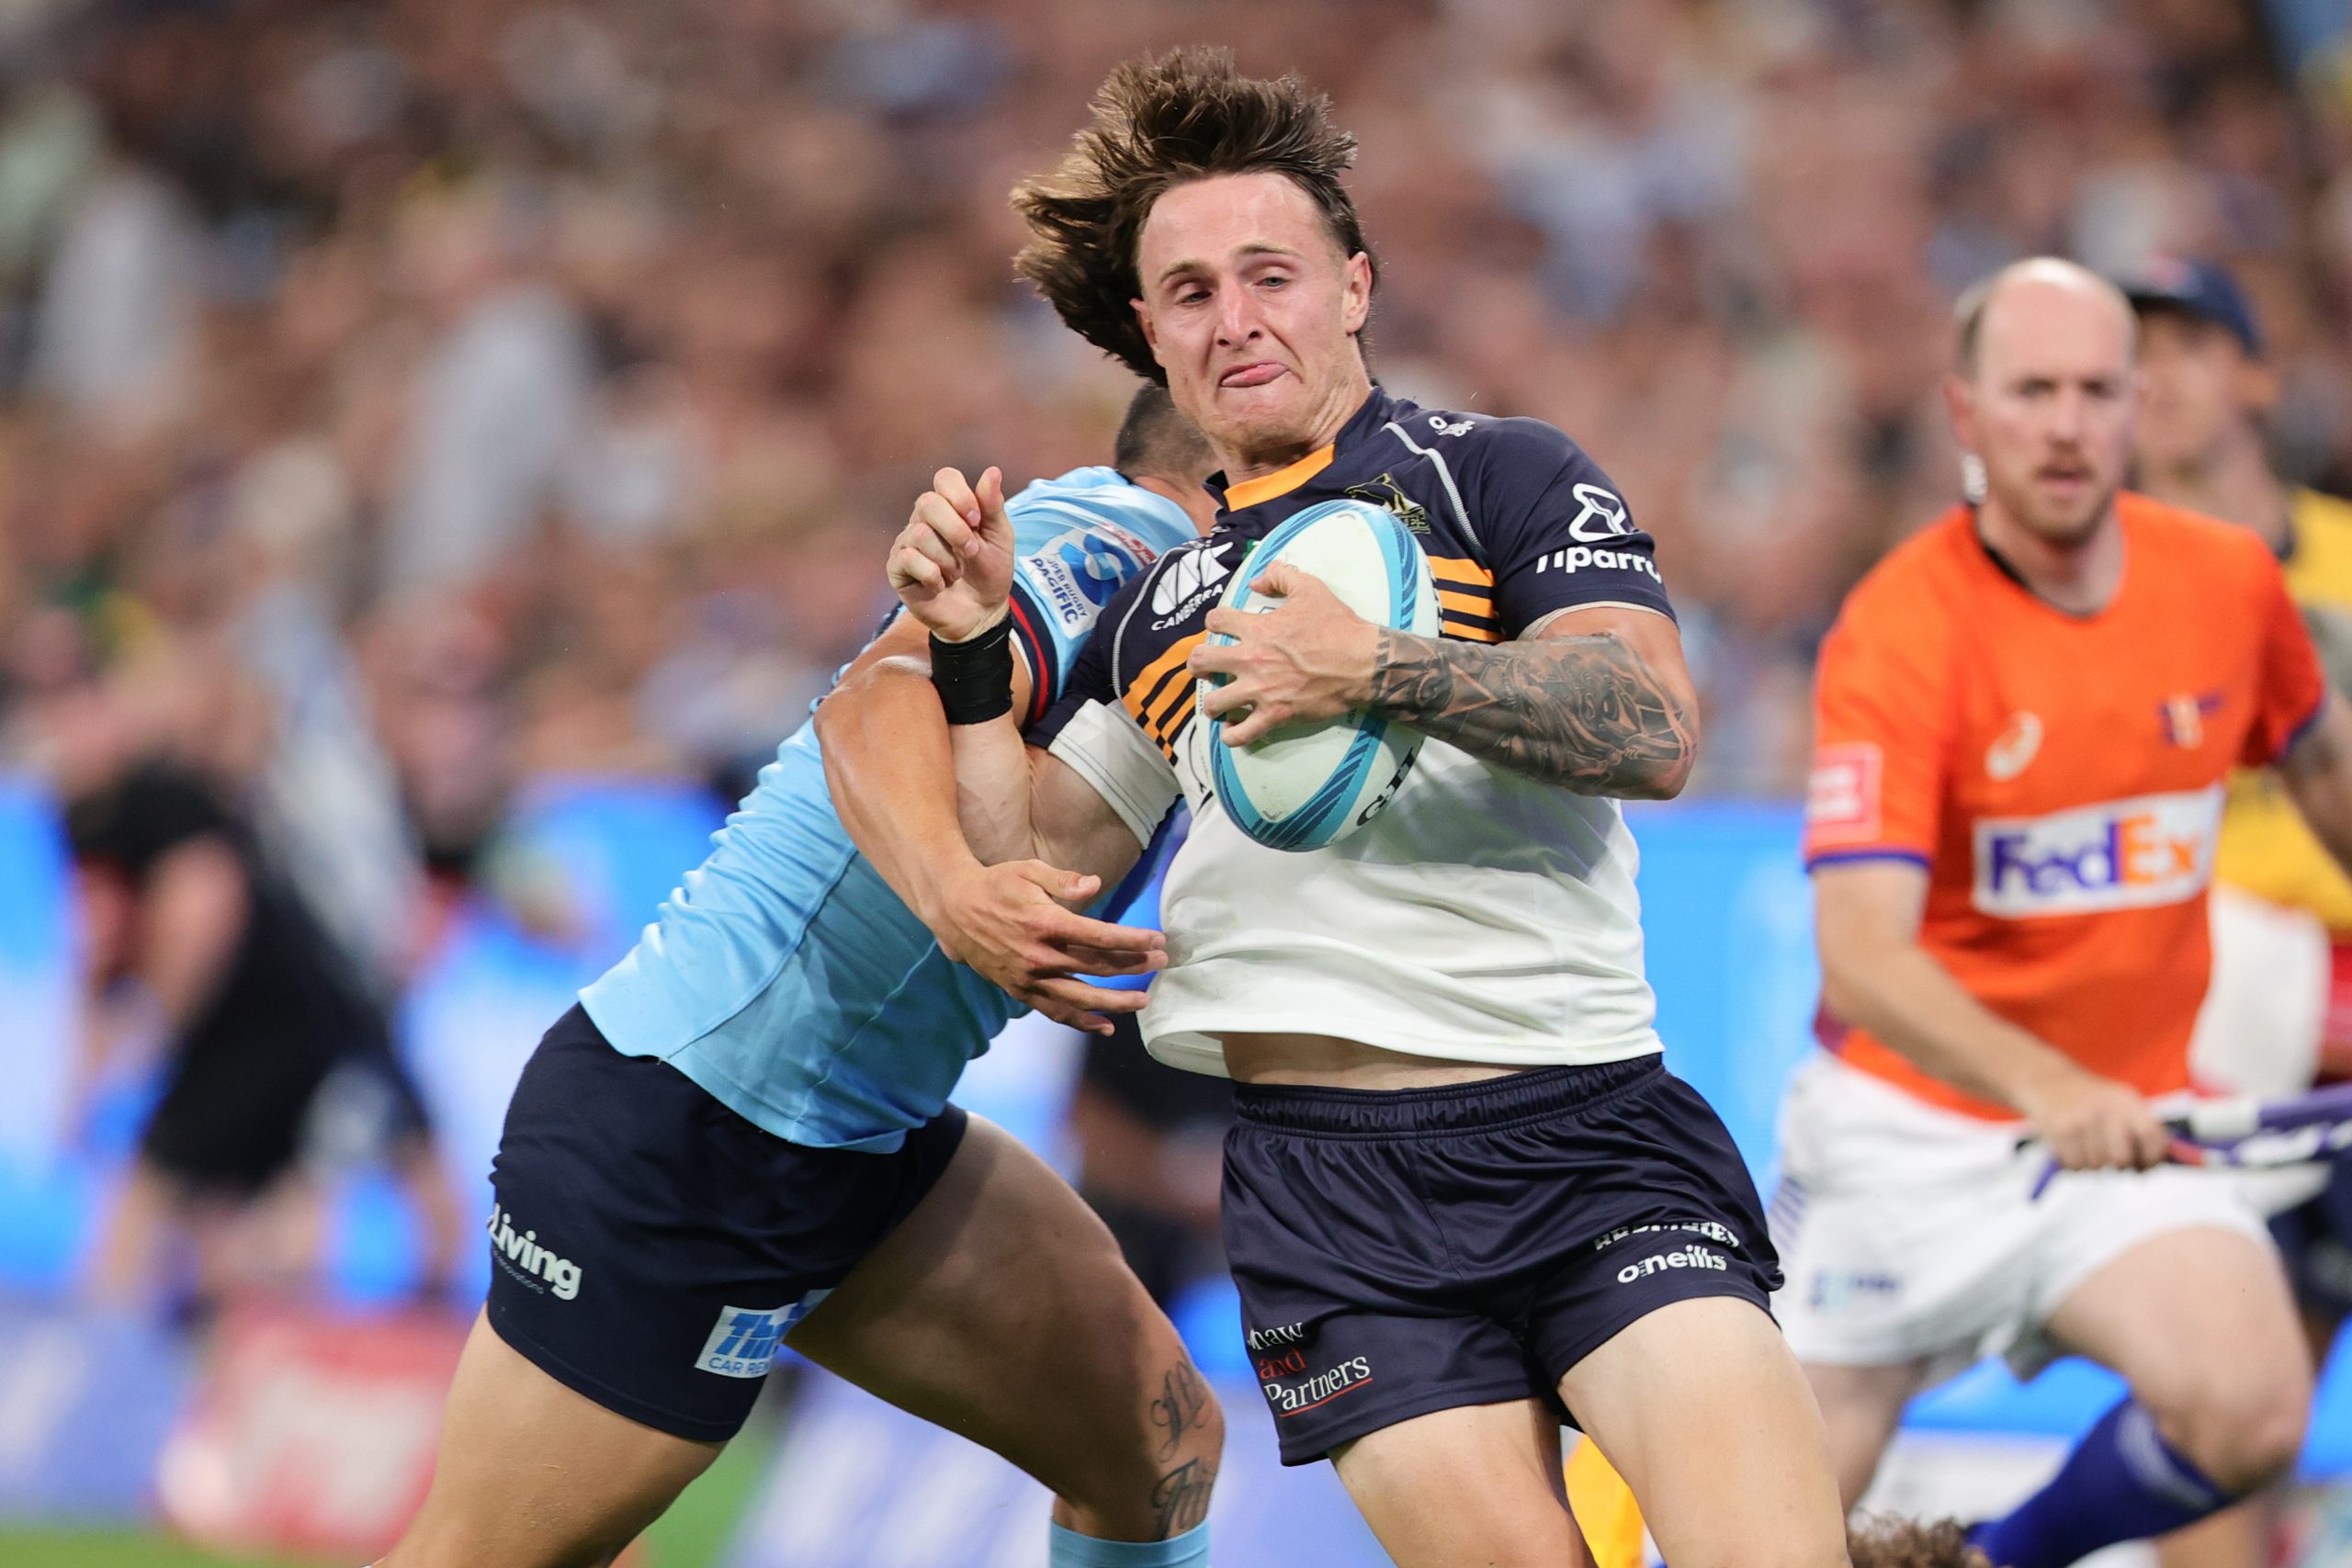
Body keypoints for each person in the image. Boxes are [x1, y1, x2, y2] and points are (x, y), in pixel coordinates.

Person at [876, 46, 1963, 1568]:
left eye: (1271, 275)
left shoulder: (1500, 481)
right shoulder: (1159, 609)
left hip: (1582, 1132)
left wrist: (1382, 668)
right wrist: (973, 650)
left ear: (1356, 287)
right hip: (1329, 1200)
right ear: (1152, 335)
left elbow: (1655, 724)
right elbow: (1038, 864)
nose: (1235, 317)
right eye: (1190, 293)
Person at [380, 387, 1229, 1568]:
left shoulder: (1212, 602)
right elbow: (874, 704)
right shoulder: (1119, 545)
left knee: (1155, 1448)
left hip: (861, 1134)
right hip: (699, 1118)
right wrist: (951, 890)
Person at [1783, 256, 2352, 1568]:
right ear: (1966, 412)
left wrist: (2088, 1100)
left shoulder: (2227, 583)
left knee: (2252, 1403)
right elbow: (1862, 955)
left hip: (2129, 1137)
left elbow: (2325, 773)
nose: (2065, 424)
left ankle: (1989, 1560)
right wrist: (2048, 1085)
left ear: (2136, 407)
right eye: (2031, 390)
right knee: (1761, 1531)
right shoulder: (1900, 626)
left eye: (2096, 390)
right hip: (1904, 1145)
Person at [2125, 258, 2352, 1568]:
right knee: (2221, 1392)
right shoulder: (2090, 580)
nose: (2154, 376)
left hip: (2328, 984)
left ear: (2258, 378)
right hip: (2198, 999)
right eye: (2130, 353)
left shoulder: (2342, 562)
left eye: (2188, 344)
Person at [27, 640, 458, 1313]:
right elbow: (101, 957)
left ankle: (100, 1348)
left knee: (153, 1203)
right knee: (242, 1216)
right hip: (302, 1012)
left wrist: (153, 1026)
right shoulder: (89, 819)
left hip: (270, 1021)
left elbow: (205, 902)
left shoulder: (153, 796)